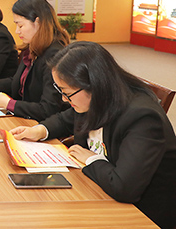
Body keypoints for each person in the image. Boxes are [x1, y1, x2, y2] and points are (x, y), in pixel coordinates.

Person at [10, 42, 176, 228]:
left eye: (67, 93)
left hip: (141, 214)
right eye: (60, 91)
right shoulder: (97, 98)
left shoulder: (142, 118)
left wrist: (91, 159)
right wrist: (39, 130)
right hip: (98, 189)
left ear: (94, 85)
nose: (64, 99)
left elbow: (124, 188)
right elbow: (65, 119)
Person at [0, 0, 69, 120]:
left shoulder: (54, 55)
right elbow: (18, 82)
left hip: (38, 124)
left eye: (20, 25)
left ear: (38, 22)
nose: (17, 31)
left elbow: (48, 109)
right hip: (23, 118)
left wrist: (7, 103)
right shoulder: (32, 47)